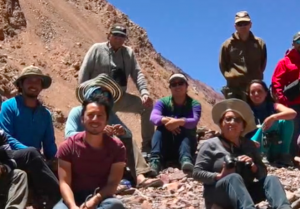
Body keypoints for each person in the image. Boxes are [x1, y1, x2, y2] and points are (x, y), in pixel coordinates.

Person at [23, 96, 128, 209]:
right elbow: (64, 182)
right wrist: (72, 206)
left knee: (116, 206)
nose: (95, 119)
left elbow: (113, 184)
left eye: (100, 115)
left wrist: (93, 203)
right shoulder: (69, 146)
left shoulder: (117, 147)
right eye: (91, 115)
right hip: (73, 195)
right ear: (82, 118)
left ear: (107, 119)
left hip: (99, 197)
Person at [193, 99, 300, 209]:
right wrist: (219, 175)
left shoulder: (249, 145)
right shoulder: (210, 145)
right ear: (221, 123)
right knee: (233, 178)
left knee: (271, 179)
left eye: (237, 120)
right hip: (219, 194)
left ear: (243, 127)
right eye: (227, 119)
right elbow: (197, 172)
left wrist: (253, 166)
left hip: (244, 193)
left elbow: (263, 173)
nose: (231, 122)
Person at [68, 74, 162, 188]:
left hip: (104, 156)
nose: (102, 97)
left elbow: (128, 134)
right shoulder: (77, 112)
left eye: (106, 94)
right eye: (98, 93)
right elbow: (69, 135)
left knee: (127, 139)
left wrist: (121, 132)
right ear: (90, 94)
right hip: (83, 154)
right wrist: (95, 133)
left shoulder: (109, 115)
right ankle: (108, 183)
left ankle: (139, 177)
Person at [78, 24, 154, 153]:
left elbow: (137, 74)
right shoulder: (96, 49)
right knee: (100, 124)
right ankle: (86, 149)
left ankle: (148, 148)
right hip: (98, 99)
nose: (119, 38)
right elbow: (84, 73)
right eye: (116, 35)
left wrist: (144, 92)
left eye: (122, 36)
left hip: (119, 97)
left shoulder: (128, 53)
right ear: (109, 35)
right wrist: (85, 99)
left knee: (146, 106)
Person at [0, 66, 62, 209]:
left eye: (37, 82)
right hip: (10, 156)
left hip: (35, 159)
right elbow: (4, 136)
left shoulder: (45, 114)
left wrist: (55, 159)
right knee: (32, 154)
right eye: (29, 81)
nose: (34, 85)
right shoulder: (8, 107)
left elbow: (49, 143)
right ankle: (61, 199)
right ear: (21, 84)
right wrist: (29, 151)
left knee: (63, 163)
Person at [271, 31, 300, 163]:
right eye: (298, 41)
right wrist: (283, 100)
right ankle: (291, 158)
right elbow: (276, 82)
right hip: (293, 104)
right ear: (293, 43)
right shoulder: (284, 62)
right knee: (293, 133)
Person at [149, 73, 201, 175]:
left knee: (185, 127)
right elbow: (153, 117)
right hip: (167, 146)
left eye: (180, 83)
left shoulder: (195, 104)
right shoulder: (162, 102)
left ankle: (186, 159)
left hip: (186, 146)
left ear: (186, 86)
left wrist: (177, 122)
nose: (177, 86)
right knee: (161, 128)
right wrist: (166, 121)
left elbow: (194, 121)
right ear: (170, 87)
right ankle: (155, 161)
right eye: (174, 84)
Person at [245, 80, 297, 167]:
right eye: (252, 92)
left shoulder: (273, 106)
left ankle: (284, 155)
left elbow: (293, 113)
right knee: (268, 123)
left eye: (259, 91)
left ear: (266, 93)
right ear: (249, 95)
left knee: (286, 120)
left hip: (274, 146)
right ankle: (262, 156)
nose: (256, 94)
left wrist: (273, 117)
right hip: (255, 146)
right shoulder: (245, 110)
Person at [219, 11, 267, 101]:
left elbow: (263, 63)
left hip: (254, 88)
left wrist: (255, 76)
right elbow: (223, 65)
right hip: (234, 88)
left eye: (245, 23)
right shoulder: (227, 45)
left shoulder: (259, 43)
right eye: (240, 24)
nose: (243, 26)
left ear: (250, 24)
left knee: (256, 114)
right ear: (235, 26)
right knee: (236, 114)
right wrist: (232, 77)